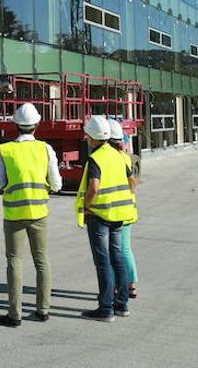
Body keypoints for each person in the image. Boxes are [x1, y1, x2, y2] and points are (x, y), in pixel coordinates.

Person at [0, 103, 63, 327]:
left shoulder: (6, 150)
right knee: (42, 260)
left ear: (15, 125)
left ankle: (15, 314)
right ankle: (43, 310)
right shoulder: (45, 149)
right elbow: (57, 184)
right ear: (37, 125)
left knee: (14, 261)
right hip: (39, 213)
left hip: (14, 214)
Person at [74, 115, 137, 322]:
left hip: (100, 215)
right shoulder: (119, 156)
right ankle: (122, 304)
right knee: (117, 257)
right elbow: (132, 182)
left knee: (103, 261)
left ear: (92, 138)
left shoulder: (96, 158)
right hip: (119, 216)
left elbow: (93, 187)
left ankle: (106, 308)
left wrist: (86, 205)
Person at [108, 119, 139, 299]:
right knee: (125, 249)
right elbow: (132, 184)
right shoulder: (126, 158)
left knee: (114, 251)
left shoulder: (112, 159)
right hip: (128, 209)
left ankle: (117, 286)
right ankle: (131, 284)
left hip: (117, 211)